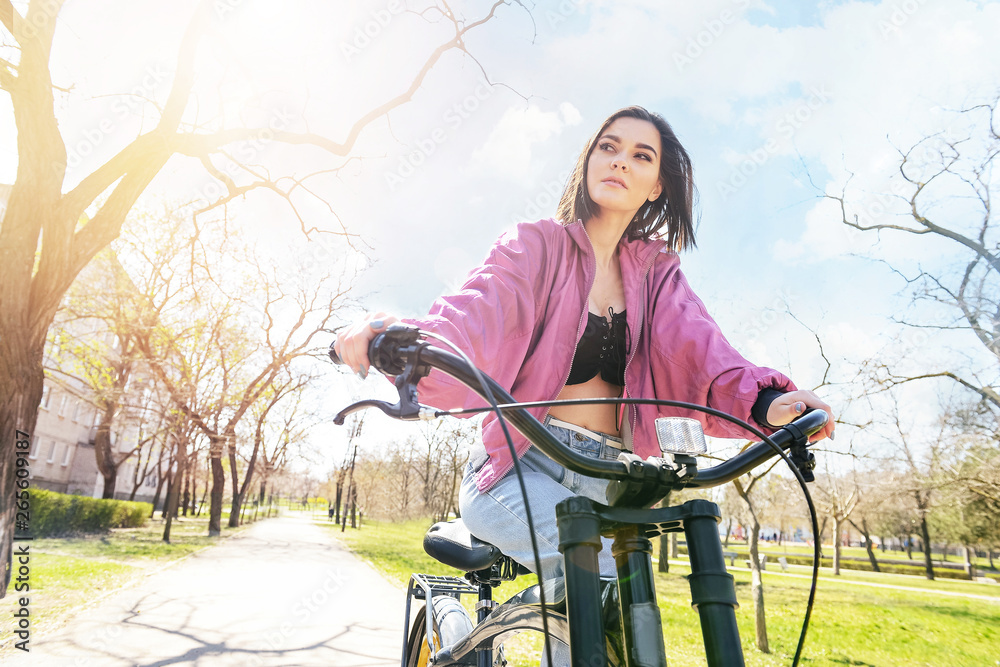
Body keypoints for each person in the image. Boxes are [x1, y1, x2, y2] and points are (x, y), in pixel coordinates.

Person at [334, 104, 835, 628]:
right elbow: (473, 316)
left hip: (619, 479)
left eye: (641, 155)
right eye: (609, 147)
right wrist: (404, 342)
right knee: (598, 584)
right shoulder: (536, 248)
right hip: (521, 468)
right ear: (589, 161)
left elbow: (706, 357)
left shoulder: (659, 278)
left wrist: (767, 403)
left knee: (631, 622)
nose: (620, 161)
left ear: (657, 185)